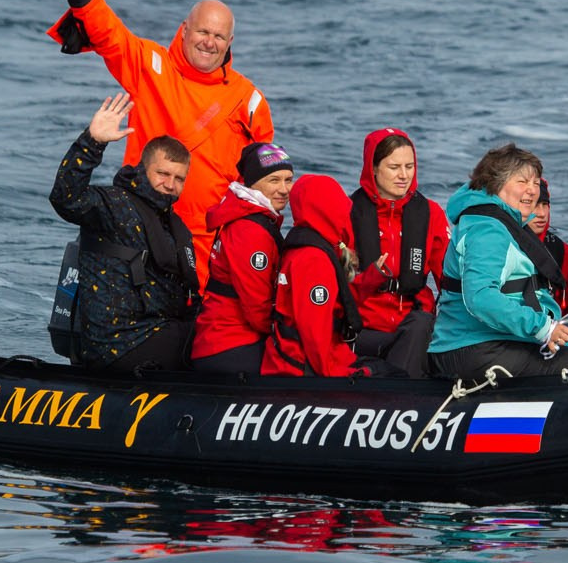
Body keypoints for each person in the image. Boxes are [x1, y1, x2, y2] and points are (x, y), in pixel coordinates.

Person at [40, 0, 272, 279]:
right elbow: (105, 29)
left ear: (230, 44)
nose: (209, 42)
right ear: (184, 30)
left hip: (210, 245)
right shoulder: (150, 65)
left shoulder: (250, 99)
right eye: (202, 32)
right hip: (144, 228)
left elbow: (264, 183)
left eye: (219, 36)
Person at [427, 143, 568, 381]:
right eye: (522, 182)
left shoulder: (503, 223)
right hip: (473, 348)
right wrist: (543, 328)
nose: (532, 190)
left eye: (536, 183)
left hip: (495, 342)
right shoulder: (487, 229)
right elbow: (481, 297)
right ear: (495, 185)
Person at [47, 93, 199, 375]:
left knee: (218, 334)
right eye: (163, 174)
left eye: (179, 179)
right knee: (206, 342)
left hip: (156, 333)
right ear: (144, 169)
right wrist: (93, 142)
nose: (170, 184)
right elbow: (65, 197)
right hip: (115, 344)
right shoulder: (112, 205)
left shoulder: (175, 227)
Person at [186, 141, 296, 374]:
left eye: (288, 179)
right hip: (230, 344)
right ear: (253, 183)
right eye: (274, 180)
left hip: (221, 338)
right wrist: (291, 335)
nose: (285, 189)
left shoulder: (249, 216)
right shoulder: (250, 231)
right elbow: (257, 309)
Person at [347, 128, 447, 379]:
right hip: (364, 326)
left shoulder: (430, 213)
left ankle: (391, 384)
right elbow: (335, 283)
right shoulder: (348, 213)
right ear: (374, 168)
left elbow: (449, 277)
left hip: (412, 324)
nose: (404, 175)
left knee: (422, 324)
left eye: (409, 166)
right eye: (394, 167)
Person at [264, 174, 379, 378]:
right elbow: (314, 332)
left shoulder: (305, 248)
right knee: (393, 375)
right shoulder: (314, 260)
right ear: (326, 208)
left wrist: (372, 278)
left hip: (298, 359)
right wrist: (334, 375)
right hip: (303, 368)